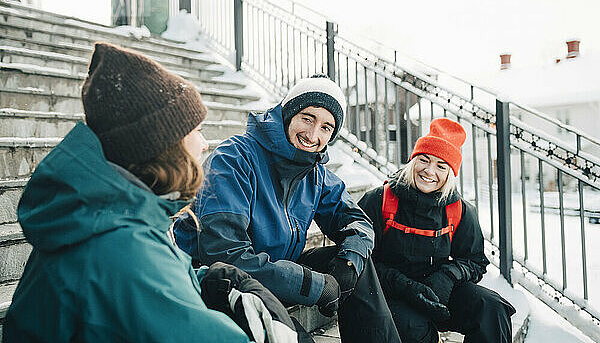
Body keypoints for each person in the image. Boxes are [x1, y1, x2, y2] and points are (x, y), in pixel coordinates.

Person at [4, 42, 296, 343]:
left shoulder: (111, 218)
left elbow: (141, 292)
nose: (205, 143)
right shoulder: (121, 245)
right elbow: (141, 283)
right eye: (197, 130)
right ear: (165, 148)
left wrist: (207, 280)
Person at [174, 75, 402, 343]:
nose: (313, 135)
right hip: (220, 284)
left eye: (326, 127)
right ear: (288, 113)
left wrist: (347, 263)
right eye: (307, 118)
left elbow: (357, 222)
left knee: (357, 264)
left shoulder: (314, 173)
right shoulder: (233, 159)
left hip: (273, 274)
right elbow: (225, 255)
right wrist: (315, 286)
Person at [357, 118, 516, 343]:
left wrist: (448, 277)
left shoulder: (459, 209)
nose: (429, 171)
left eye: (441, 166)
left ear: (450, 173)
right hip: (389, 293)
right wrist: (406, 286)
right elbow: (361, 261)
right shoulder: (379, 200)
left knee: (492, 308)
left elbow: (475, 261)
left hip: (436, 293)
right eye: (424, 160)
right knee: (414, 328)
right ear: (413, 161)